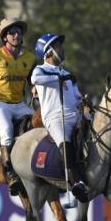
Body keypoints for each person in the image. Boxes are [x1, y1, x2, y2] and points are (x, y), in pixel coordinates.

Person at [0, 17, 37, 194]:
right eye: (12, 32)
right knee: (7, 134)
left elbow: (31, 82)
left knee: (40, 126)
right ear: (5, 37)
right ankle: (10, 172)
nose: (16, 35)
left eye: (18, 31)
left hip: (20, 104)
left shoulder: (29, 57)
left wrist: (34, 90)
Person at [31, 33, 90, 202]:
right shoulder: (40, 70)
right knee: (65, 141)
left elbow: (76, 95)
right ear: (48, 52)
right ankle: (75, 182)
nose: (61, 49)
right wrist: (59, 78)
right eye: (57, 46)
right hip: (55, 118)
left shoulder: (67, 73)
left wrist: (83, 100)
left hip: (74, 113)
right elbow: (35, 79)